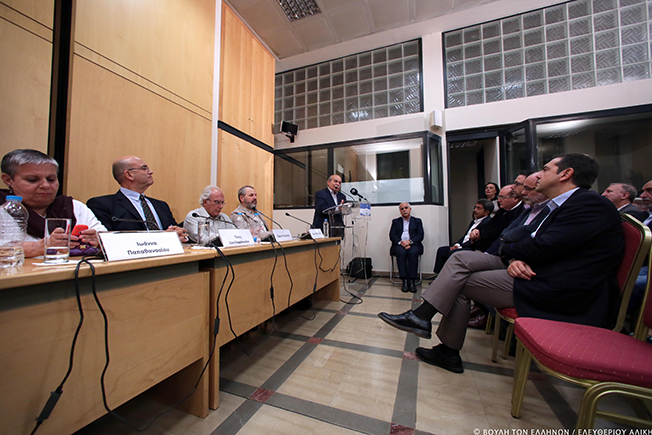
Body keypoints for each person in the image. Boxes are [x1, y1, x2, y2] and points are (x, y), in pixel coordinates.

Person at [378, 153, 624, 374]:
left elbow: (540, 245)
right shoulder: (565, 205)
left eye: (546, 169)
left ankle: (438, 338)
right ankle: (429, 327)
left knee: (458, 282)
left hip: (559, 288)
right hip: (539, 272)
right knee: (458, 265)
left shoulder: (587, 205)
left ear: (566, 174)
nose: (539, 175)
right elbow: (529, 238)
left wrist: (513, 252)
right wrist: (517, 252)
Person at [467, 173, 551, 329]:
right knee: (458, 261)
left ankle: (491, 319)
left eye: (525, 187)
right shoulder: (525, 211)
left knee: (463, 277)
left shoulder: (547, 210)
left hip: (525, 268)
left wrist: (510, 255)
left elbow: (526, 237)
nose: (522, 191)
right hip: (507, 256)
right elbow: (505, 234)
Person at [1, 149, 106, 258]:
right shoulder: (3, 209)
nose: (45, 185)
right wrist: (37, 247)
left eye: (51, 179)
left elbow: (109, 242)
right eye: (32, 180)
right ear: (8, 180)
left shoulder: (74, 207)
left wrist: (98, 242)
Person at [87, 156, 188, 241]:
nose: (151, 172)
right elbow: (107, 238)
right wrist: (162, 238)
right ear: (129, 174)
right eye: (144, 168)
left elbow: (173, 231)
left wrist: (177, 234)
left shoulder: (161, 205)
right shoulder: (102, 204)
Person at [433, 199, 493, 274]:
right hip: (463, 245)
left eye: (479, 208)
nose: (475, 210)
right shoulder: (473, 222)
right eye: (475, 207)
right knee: (442, 250)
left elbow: (478, 241)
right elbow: (465, 237)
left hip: (472, 248)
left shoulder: (488, 223)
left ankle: (451, 275)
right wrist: (457, 244)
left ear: (486, 212)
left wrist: (460, 247)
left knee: (454, 253)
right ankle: (439, 275)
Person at [465, 185, 523, 251]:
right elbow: (489, 225)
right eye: (499, 197)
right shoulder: (502, 211)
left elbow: (499, 233)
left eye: (502, 197)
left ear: (515, 198)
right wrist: (477, 230)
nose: (499, 200)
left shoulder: (520, 213)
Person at [389, 202, 424, 293]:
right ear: (400, 211)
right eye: (402, 209)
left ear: (410, 209)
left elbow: (420, 235)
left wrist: (410, 242)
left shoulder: (417, 221)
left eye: (406, 208)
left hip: (413, 244)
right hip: (399, 245)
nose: (404, 210)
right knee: (401, 253)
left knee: (412, 253)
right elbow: (392, 235)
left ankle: (412, 281)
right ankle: (404, 281)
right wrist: (401, 243)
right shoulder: (395, 221)